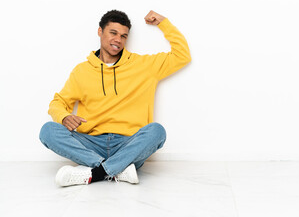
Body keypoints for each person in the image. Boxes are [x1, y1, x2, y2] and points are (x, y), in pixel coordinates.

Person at [39, 10, 191, 187]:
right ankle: (119, 169)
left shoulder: (144, 66)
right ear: (100, 32)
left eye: (123, 36)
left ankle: (97, 173)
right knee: (48, 131)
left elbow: (182, 56)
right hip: (91, 143)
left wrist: (164, 23)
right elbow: (58, 102)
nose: (118, 40)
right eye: (113, 33)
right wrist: (64, 116)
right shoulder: (82, 71)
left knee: (157, 131)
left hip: (128, 144)